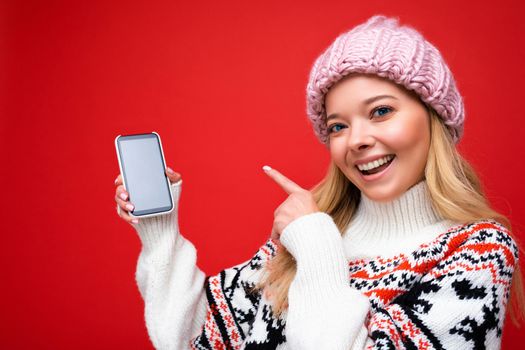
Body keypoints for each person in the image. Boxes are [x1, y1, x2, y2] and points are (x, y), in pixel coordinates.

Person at [114, 15, 524, 349]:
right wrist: (159, 230)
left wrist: (317, 249)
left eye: (381, 112)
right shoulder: (313, 236)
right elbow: (190, 338)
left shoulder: (478, 251)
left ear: (434, 119)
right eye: (338, 126)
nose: (357, 140)